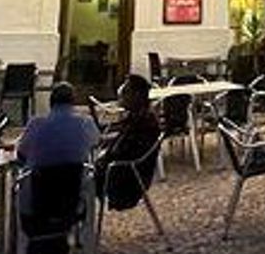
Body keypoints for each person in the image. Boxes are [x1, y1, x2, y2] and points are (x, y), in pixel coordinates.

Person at [94, 75, 162, 205]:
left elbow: (121, 153)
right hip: (129, 177)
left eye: (125, 91)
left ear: (137, 96)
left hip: (124, 185)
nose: (120, 94)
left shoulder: (143, 125)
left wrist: (102, 158)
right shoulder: (140, 118)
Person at [17, 82, 101, 170]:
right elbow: (96, 142)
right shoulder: (85, 122)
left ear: (51, 101)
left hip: (41, 180)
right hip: (75, 180)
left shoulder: (36, 124)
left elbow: (22, 153)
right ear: (73, 102)